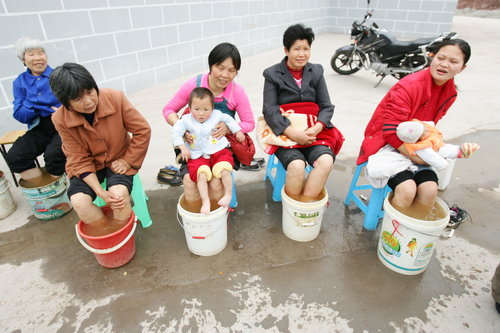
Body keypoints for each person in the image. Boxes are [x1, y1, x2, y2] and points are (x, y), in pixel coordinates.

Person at [358, 39, 471, 212]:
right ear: (431, 57)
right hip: (386, 144)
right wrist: (417, 158)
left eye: (453, 62)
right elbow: (389, 132)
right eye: (440, 58)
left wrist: (437, 148)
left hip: (417, 144)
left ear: (462, 68)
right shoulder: (408, 86)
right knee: (407, 190)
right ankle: (391, 234)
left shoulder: (450, 92)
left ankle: (412, 234)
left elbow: (430, 127)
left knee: (430, 190)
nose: (444, 65)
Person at [49, 63, 151, 225]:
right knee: (79, 202)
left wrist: (128, 160)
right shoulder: (60, 119)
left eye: (90, 92)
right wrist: (100, 192)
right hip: (87, 168)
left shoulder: (116, 98)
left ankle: (122, 234)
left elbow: (142, 130)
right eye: (78, 98)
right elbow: (78, 158)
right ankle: (106, 230)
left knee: (118, 196)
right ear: (66, 102)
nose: (88, 101)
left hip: (118, 160)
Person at [163, 42, 257, 204]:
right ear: (211, 65)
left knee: (216, 181)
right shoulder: (194, 85)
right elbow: (168, 111)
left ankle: (217, 221)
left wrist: (229, 128)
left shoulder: (237, 92)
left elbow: (249, 123)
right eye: (220, 68)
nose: (225, 75)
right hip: (194, 149)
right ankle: (199, 223)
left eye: (231, 70)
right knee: (190, 182)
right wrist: (182, 128)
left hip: (221, 148)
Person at [262, 24, 339, 202]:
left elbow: (326, 105)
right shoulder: (272, 74)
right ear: (286, 50)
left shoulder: (316, 71)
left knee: (326, 162)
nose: (302, 54)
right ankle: (293, 205)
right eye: (297, 49)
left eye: (306, 49)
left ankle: (303, 204)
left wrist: (318, 127)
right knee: (296, 166)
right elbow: (270, 110)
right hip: (287, 133)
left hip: (314, 133)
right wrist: (293, 133)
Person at [172, 88, 245, 214]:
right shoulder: (185, 120)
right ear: (189, 107)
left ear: (212, 108)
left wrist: (237, 131)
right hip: (197, 155)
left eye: (206, 109)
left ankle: (228, 195)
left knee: (224, 170)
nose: (201, 113)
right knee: (201, 175)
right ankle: (205, 201)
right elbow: (175, 132)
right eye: (196, 109)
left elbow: (228, 119)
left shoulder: (217, 115)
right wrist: (182, 147)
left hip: (219, 150)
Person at [5, 37, 66, 182]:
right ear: (23, 60)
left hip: (63, 124)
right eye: (31, 54)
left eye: (41, 53)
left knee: (53, 156)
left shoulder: (60, 75)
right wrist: (31, 102)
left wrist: (64, 112)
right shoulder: (20, 82)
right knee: (15, 156)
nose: (38, 58)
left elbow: (77, 102)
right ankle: (43, 187)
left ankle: (60, 189)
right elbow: (20, 115)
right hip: (39, 127)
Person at [396, 120, 479, 170]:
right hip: (436, 151)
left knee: (446, 147)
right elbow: (432, 157)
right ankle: (461, 152)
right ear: (418, 139)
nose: (427, 130)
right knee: (445, 151)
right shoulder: (421, 148)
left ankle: (464, 150)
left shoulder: (418, 127)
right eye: (424, 133)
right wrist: (443, 164)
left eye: (425, 128)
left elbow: (428, 124)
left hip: (438, 145)